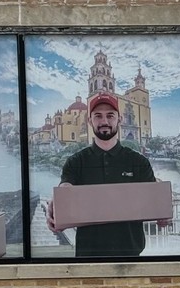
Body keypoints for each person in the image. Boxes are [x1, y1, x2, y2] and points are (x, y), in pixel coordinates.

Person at [47, 92, 162, 258]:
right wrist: (59, 202)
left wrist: (162, 203)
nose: (104, 121)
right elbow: (66, 186)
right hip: (88, 258)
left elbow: (153, 198)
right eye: (98, 116)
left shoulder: (139, 162)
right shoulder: (75, 162)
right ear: (89, 120)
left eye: (110, 115)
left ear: (119, 119)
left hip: (130, 256)